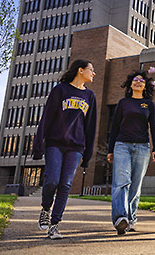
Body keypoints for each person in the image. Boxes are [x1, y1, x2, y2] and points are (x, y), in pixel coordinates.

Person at [33, 59, 97, 239]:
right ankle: (46, 208)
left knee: (65, 184)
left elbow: (90, 127)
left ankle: (54, 224)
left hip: (76, 147)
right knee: (52, 180)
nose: (94, 73)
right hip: (55, 143)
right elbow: (46, 118)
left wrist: (88, 153)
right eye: (91, 70)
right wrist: (38, 145)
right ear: (80, 70)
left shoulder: (90, 96)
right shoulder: (60, 90)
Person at [107, 71, 155, 235]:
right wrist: (110, 150)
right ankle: (120, 218)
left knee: (135, 186)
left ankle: (130, 219)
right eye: (135, 80)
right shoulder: (123, 103)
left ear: (145, 86)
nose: (138, 82)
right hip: (122, 145)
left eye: (141, 80)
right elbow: (114, 127)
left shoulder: (149, 104)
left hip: (143, 147)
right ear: (130, 85)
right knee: (122, 182)